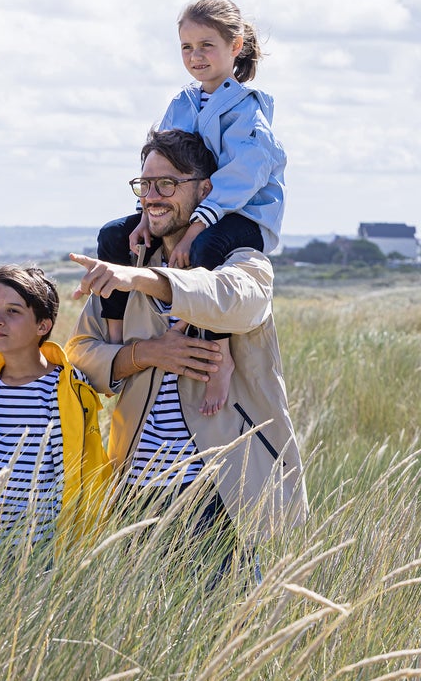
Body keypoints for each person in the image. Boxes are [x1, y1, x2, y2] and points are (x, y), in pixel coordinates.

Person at [68, 130, 307, 581]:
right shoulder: (128, 262)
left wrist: (145, 281)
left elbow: (233, 299)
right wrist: (145, 353)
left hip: (217, 492)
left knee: (231, 632)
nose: (152, 198)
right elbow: (80, 354)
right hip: (134, 491)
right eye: (145, 185)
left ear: (205, 188)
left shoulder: (244, 261)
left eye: (167, 184)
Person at [98, 0, 287, 417]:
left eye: (206, 45)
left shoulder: (248, 110)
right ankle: (116, 336)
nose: (195, 56)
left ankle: (218, 355)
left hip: (242, 214)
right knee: (113, 235)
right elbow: (160, 160)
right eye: (186, 47)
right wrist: (148, 216)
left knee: (204, 252)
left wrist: (197, 224)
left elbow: (246, 175)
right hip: (191, 210)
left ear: (235, 46)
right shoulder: (182, 103)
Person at [0, 265, 111, 560]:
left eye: (13, 311)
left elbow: (83, 469)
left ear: (42, 325)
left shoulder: (66, 388)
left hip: (52, 545)